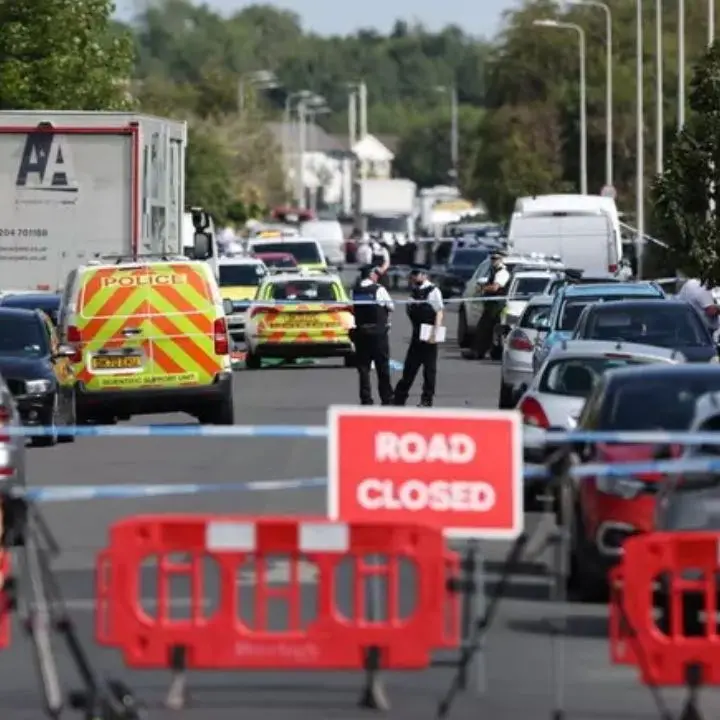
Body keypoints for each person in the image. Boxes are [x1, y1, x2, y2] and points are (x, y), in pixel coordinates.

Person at [393, 265, 443, 407]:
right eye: (413, 274)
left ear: (425, 275)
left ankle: (426, 399)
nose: (414, 277)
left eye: (417, 274)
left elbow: (439, 312)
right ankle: (399, 398)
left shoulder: (433, 291)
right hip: (417, 334)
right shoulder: (414, 292)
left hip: (429, 334)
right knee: (409, 368)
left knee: (429, 371)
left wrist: (435, 333)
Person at [350, 265, 394, 405]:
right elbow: (391, 306)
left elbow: (353, 309)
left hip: (361, 333)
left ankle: (366, 398)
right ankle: (386, 398)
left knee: (363, 368)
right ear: (370, 274)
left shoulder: (355, 291)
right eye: (375, 273)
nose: (377, 275)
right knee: (382, 367)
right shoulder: (378, 289)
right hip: (378, 333)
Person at [473, 249, 511, 359]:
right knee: (485, 329)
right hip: (491, 305)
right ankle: (480, 351)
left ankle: (482, 352)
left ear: (501, 260)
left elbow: (495, 287)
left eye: (495, 259)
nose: (493, 261)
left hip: (496, 306)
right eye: (492, 258)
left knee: (489, 329)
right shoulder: (493, 271)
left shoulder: (502, 273)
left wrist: (482, 288)